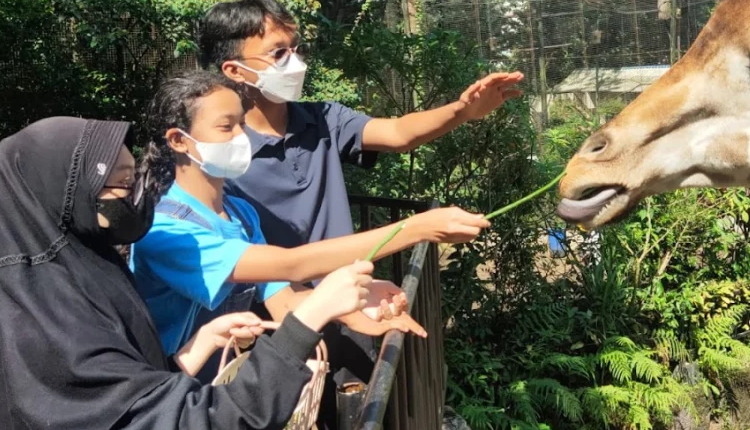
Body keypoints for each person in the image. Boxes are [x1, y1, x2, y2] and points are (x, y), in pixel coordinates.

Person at [198, 0, 521, 422]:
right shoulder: (222, 155)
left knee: (362, 404)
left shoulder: (321, 119)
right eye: (278, 53)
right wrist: (417, 228)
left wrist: (463, 111)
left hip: (354, 302)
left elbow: (397, 132)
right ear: (234, 69)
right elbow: (275, 269)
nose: (294, 62)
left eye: (296, 49)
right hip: (274, 322)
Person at [0, 116, 374, 430]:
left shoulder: (85, 271)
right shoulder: (42, 323)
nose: (133, 199)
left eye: (133, 182)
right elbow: (190, 421)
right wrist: (308, 318)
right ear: (65, 195)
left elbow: (125, 397)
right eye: (120, 186)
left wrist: (190, 351)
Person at [130, 70, 485, 380]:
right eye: (226, 127)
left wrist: (357, 309)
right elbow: (291, 264)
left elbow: (284, 301)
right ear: (178, 140)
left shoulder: (239, 212)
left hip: (214, 388)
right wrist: (415, 229)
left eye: (242, 123)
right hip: (162, 390)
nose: (241, 136)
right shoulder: (165, 229)